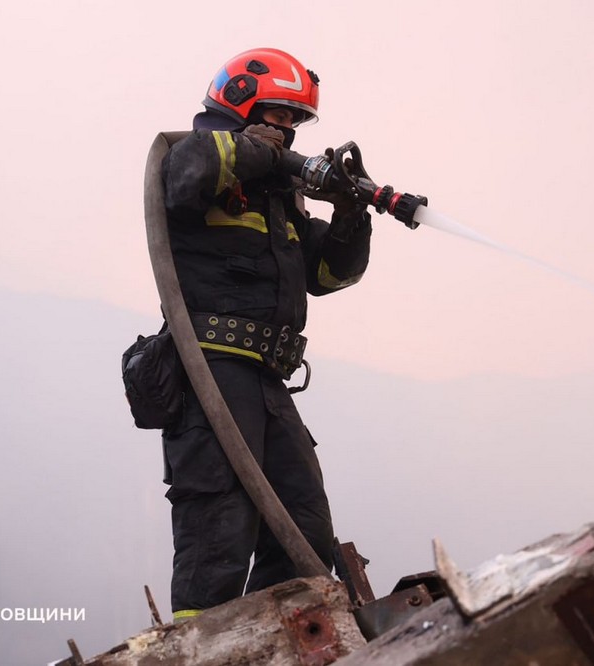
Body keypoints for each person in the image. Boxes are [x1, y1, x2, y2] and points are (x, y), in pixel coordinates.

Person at [160, 47, 372, 621]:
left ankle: (281, 641)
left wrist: (352, 214)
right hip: (211, 376)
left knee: (304, 526)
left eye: (295, 122)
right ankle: (201, 651)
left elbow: (327, 275)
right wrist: (257, 151)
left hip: (266, 383)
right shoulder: (190, 153)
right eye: (280, 116)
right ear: (240, 102)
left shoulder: (277, 195)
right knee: (218, 531)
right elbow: (187, 181)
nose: (289, 131)